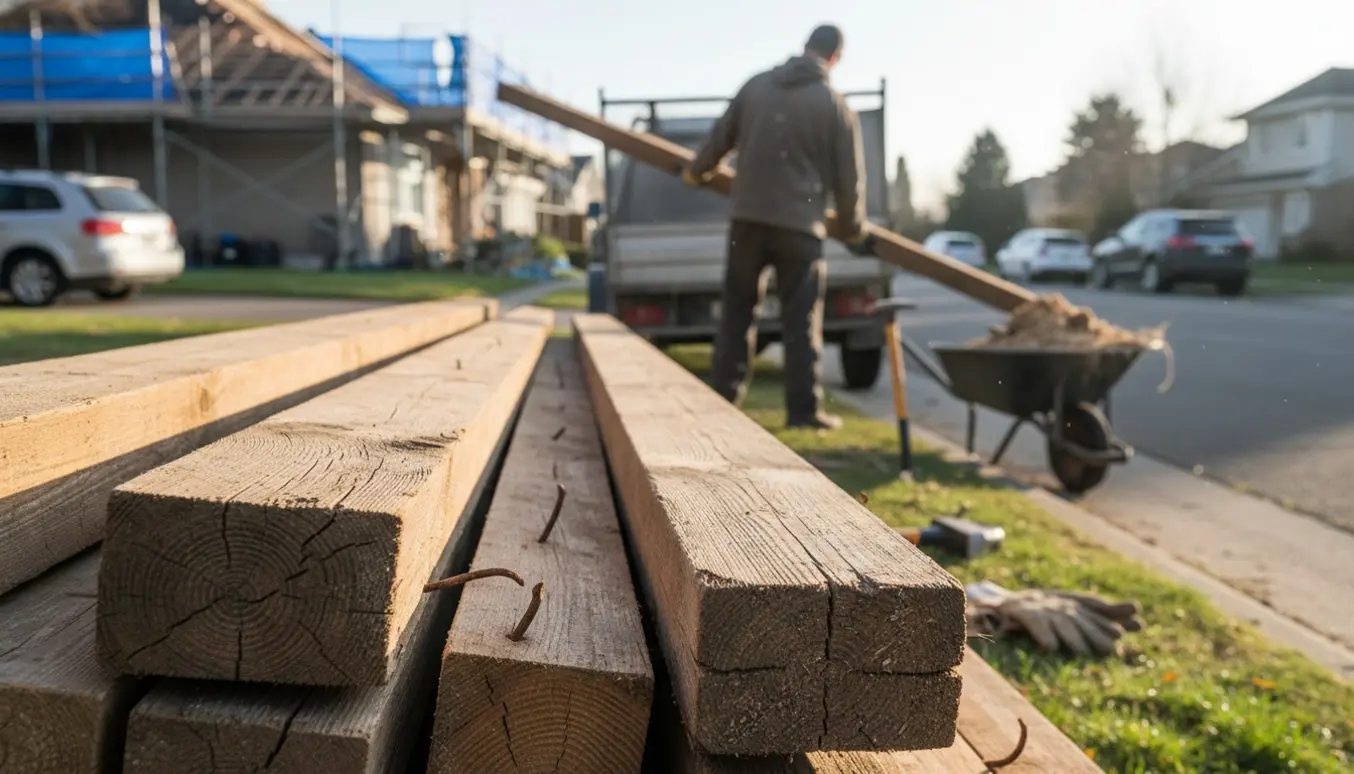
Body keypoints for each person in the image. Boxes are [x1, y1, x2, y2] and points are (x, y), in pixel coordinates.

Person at [682, 23, 873, 431]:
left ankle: (723, 401)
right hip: (800, 227)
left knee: (737, 311)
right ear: (835, 58)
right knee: (800, 320)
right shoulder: (835, 105)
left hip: (748, 218)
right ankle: (803, 412)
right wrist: (854, 226)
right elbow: (849, 179)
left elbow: (720, 137)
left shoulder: (757, 86)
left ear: (805, 46)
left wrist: (696, 172)